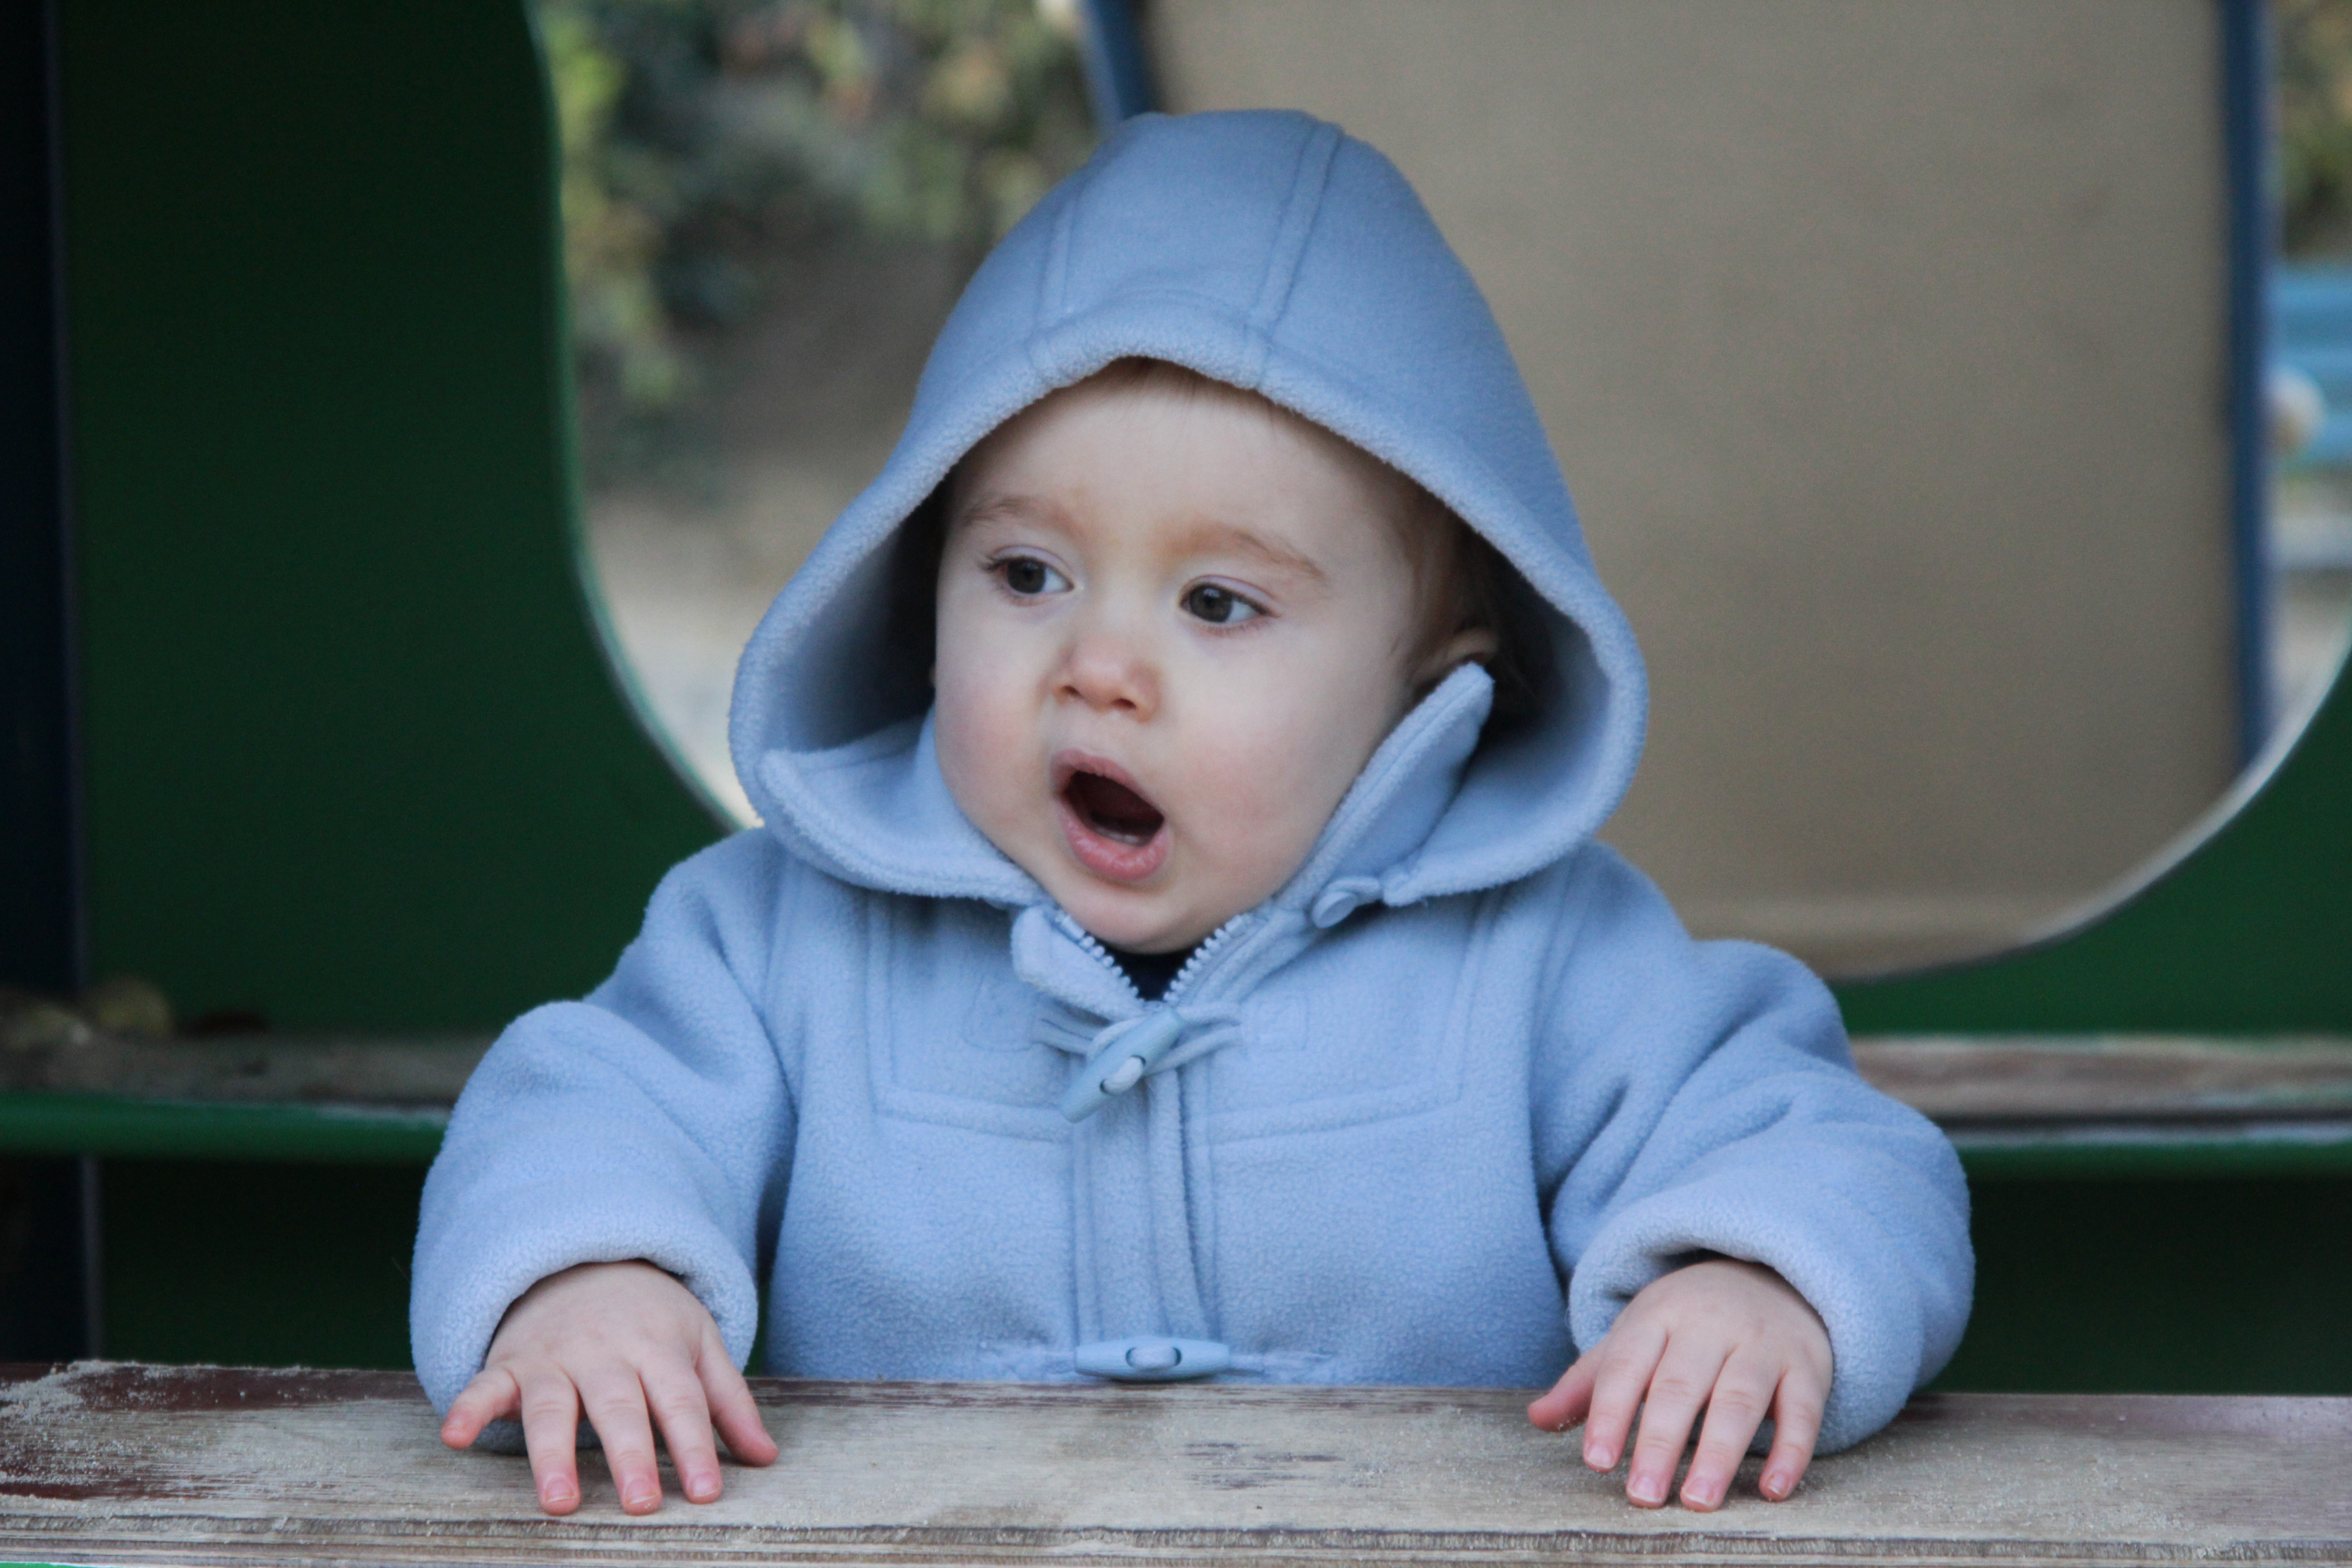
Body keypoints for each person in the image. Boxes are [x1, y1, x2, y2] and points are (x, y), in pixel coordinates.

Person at [412, 109, 1971, 1522]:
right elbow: (583, 1106)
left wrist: (1751, 1281)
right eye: (1027, 574)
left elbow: (1827, 1146)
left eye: (1218, 603)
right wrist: (590, 1273)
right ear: (916, 576)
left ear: (1429, 681)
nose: (1100, 666)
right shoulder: (772, 937)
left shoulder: (1553, 956)